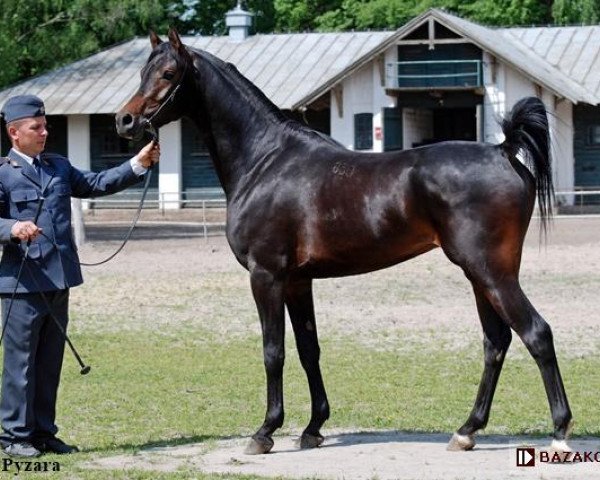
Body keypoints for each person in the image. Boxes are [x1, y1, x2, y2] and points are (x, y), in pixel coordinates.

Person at [0, 94, 159, 458]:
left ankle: (42, 433)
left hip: (59, 279)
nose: (44, 132)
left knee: (49, 362)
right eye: (35, 127)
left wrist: (138, 163)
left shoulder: (57, 166)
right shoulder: (3, 174)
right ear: (14, 132)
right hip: (21, 285)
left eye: (45, 126)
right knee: (20, 364)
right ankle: (14, 437)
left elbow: (96, 183)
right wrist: (12, 227)